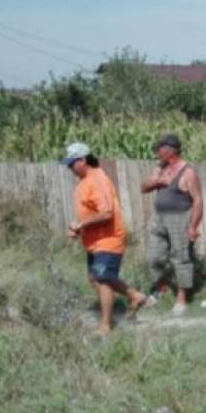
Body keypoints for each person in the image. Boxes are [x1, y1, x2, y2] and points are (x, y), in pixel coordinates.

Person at [63, 142, 150, 334]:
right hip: (95, 241)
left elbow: (107, 213)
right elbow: (91, 214)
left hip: (109, 238)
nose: (69, 168)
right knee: (96, 278)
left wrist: (81, 224)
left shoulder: (97, 179)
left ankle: (105, 326)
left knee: (103, 279)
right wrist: (79, 228)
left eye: (71, 163)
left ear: (82, 160)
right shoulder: (84, 181)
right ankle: (134, 295)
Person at [140, 134, 203, 317]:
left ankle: (181, 298)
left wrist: (193, 226)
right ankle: (162, 287)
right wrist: (158, 181)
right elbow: (143, 188)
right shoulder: (159, 168)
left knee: (180, 257)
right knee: (153, 258)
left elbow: (198, 201)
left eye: (159, 149)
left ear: (169, 151)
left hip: (180, 218)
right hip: (159, 218)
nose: (157, 153)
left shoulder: (188, 171)